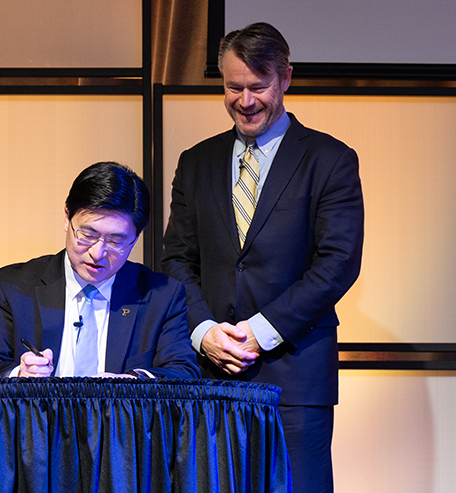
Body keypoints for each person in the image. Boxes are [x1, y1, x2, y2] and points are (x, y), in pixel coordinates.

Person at [161, 22, 364, 492]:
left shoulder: (330, 159)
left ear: (286, 78)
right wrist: (204, 331)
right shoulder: (197, 160)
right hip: (209, 372)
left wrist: (259, 332)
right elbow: (175, 259)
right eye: (233, 87)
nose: (245, 100)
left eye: (258, 86)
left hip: (295, 376)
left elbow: (338, 261)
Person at [0, 162, 199, 380]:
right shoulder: (12, 286)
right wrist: (19, 374)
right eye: (87, 234)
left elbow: (183, 373)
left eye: (115, 241)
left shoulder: (162, 296)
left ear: (135, 238)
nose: (97, 253)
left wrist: (135, 383)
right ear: (67, 218)